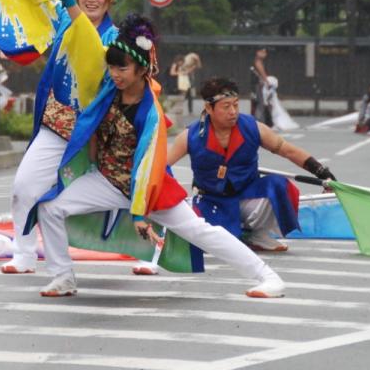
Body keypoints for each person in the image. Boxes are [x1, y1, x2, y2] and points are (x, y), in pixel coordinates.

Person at [30, 15, 286, 299]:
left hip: (150, 187)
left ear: (141, 69)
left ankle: (267, 276)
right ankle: (63, 276)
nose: (115, 73)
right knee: (49, 208)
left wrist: (140, 213)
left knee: (200, 231)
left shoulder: (150, 115)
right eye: (112, 66)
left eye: (122, 68)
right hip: (108, 181)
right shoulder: (108, 90)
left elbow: (146, 164)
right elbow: (85, 45)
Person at [0, 0, 120, 275]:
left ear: (109, 0)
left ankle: (153, 253)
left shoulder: (116, 39)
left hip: (100, 132)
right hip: (58, 124)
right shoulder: (63, 18)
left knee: (136, 194)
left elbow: (97, 59)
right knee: (23, 187)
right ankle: (25, 253)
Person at [166, 76, 334, 252]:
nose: (233, 111)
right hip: (211, 200)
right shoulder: (190, 136)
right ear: (209, 108)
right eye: (226, 106)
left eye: (236, 105)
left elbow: (288, 150)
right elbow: (162, 166)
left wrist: (322, 172)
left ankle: (256, 234)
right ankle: (234, 232)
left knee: (278, 185)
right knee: (213, 245)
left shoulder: (253, 128)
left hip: (248, 194)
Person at [250, 48, 272, 126]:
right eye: (262, 52)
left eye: (265, 52)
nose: (264, 54)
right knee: (260, 103)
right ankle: (258, 121)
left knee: (259, 103)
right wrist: (267, 82)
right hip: (258, 85)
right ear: (257, 52)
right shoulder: (258, 62)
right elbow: (262, 73)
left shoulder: (259, 61)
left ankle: (258, 120)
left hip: (257, 85)